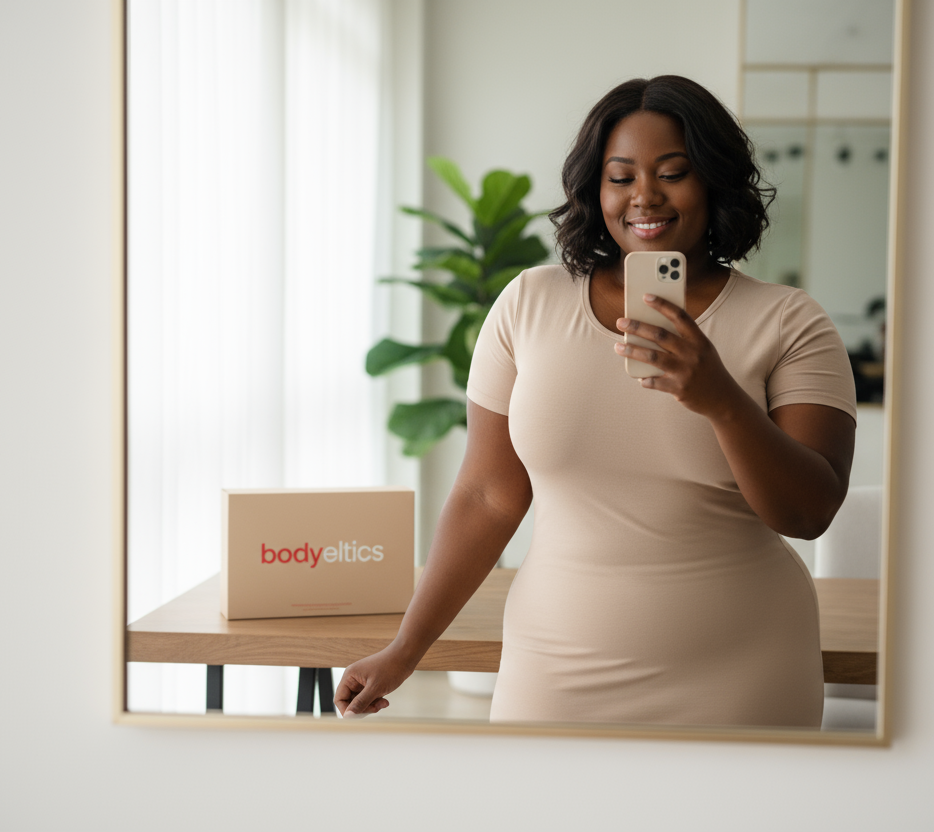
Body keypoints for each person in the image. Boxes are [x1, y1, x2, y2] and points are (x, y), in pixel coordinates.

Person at [334, 76, 856, 727]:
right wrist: (406, 647)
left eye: (673, 173)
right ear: (594, 189)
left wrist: (722, 400)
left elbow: (807, 512)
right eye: (621, 176)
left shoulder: (788, 321)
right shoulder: (529, 303)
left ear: (714, 181)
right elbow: (486, 496)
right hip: (554, 669)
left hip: (743, 673)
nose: (645, 195)